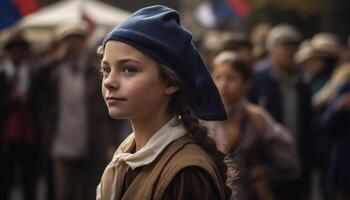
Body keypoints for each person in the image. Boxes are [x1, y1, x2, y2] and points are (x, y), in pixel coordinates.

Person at [96, 5, 231, 200]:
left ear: (170, 82)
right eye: (106, 69)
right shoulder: (129, 150)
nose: (109, 81)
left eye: (128, 69)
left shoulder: (186, 173)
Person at [207, 51, 299, 200]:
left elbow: (289, 161)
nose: (223, 84)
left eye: (231, 78)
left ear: (246, 83)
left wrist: (266, 171)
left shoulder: (256, 117)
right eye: (218, 78)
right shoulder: (204, 115)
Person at [248, 24, 313, 200]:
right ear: (271, 49)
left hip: (294, 166)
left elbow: (308, 129)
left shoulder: (303, 84)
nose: (291, 51)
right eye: (285, 46)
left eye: (294, 46)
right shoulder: (256, 80)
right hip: (265, 169)